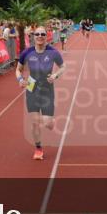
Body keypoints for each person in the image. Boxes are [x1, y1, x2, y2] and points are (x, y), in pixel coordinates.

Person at [16, 27, 65, 161]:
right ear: (33, 36)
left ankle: (51, 121)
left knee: (48, 123)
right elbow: (18, 69)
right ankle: (38, 148)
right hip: (32, 89)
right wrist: (20, 79)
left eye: (42, 34)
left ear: (46, 36)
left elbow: (63, 67)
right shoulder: (27, 52)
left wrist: (55, 75)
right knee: (35, 122)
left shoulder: (53, 52)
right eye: (37, 34)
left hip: (47, 90)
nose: (40, 36)